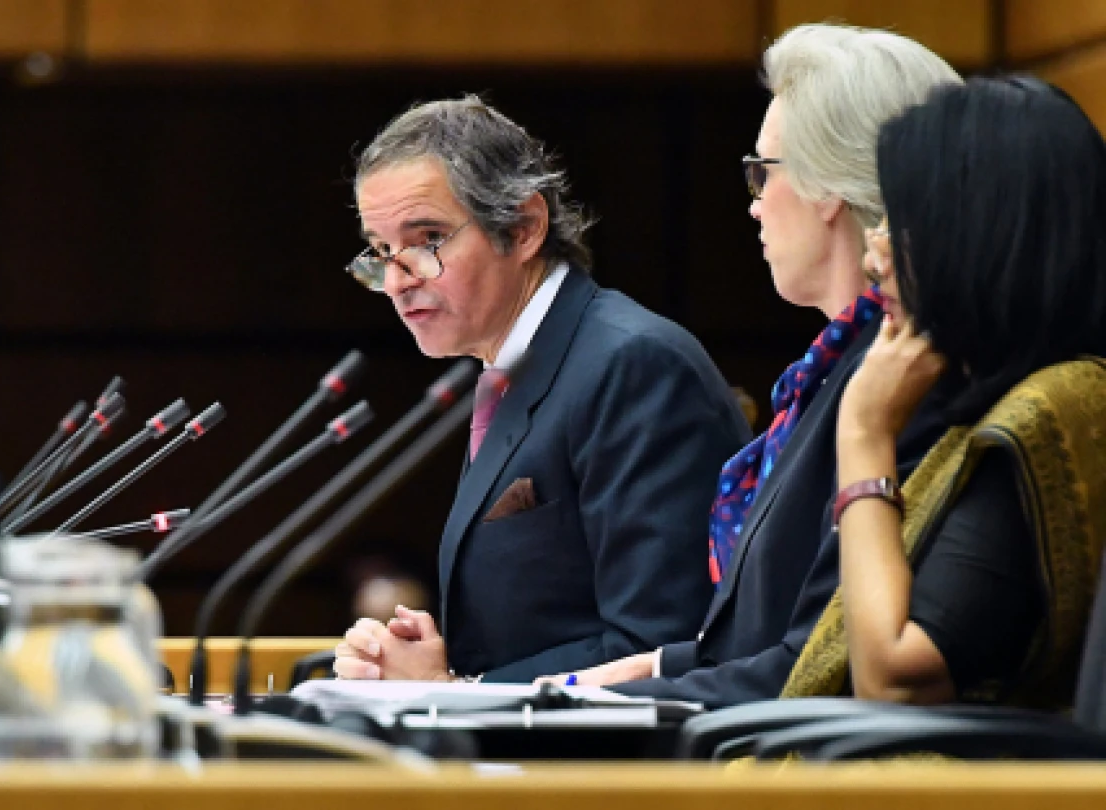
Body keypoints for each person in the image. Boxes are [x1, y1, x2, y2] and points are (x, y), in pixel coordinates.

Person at [539, 24, 960, 707]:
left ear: (829, 185)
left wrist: (626, 701)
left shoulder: (896, 382)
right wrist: (653, 669)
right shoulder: (837, 372)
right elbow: (778, 628)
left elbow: (824, 665)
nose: (754, 202)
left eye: (764, 171)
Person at [331, 96, 750, 683]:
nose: (397, 281)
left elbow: (662, 642)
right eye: (380, 252)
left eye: (426, 240)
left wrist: (456, 692)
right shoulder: (509, 372)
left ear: (524, 228)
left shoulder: (633, 366)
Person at [782, 77, 1106, 706]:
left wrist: (864, 437)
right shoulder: (1022, 392)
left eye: (903, 227)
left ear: (978, 238)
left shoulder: (1048, 412)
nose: (877, 263)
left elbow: (893, 679)